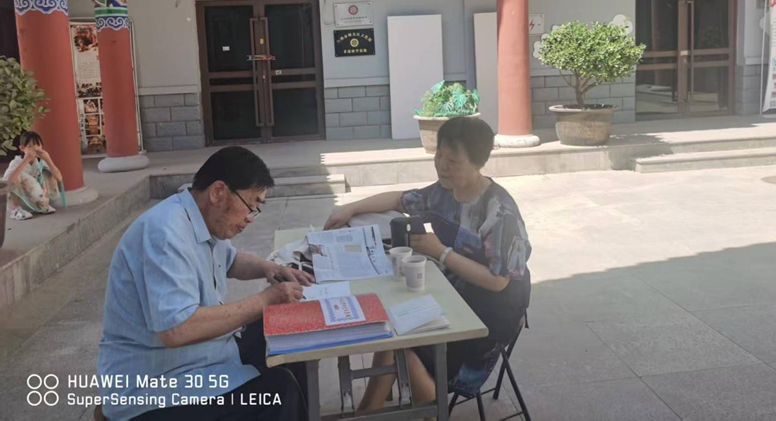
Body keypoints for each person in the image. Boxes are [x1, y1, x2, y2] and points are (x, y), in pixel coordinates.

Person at [325, 116, 531, 410]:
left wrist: (442, 252)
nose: (442, 166)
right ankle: (374, 410)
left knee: (399, 342)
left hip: (492, 310)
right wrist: (350, 208)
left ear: (478, 163)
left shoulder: (499, 211)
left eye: (453, 161)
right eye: (439, 156)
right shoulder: (444, 191)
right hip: (454, 291)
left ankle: (425, 408)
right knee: (390, 327)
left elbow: (499, 281)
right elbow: (400, 200)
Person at [97, 146, 314, 421]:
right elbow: (177, 329)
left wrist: (271, 268)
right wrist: (266, 299)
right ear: (218, 192)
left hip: (199, 357)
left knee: (287, 335)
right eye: (251, 205)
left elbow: (231, 261)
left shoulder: (200, 219)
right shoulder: (165, 233)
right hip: (157, 385)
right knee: (279, 392)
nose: (250, 218)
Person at [2, 131, 62, 220]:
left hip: (37, 199)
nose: (35, 148)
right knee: (17, 175)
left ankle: (42, 205)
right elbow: (8, 181)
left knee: (49, 172)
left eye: (38, 145)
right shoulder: (16, 162)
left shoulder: (40, 161)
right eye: (30, 146)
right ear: (22, 148)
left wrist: (48, 160)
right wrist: (26, 160)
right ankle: (15, 210)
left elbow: (59, 178)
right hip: (21, 200)